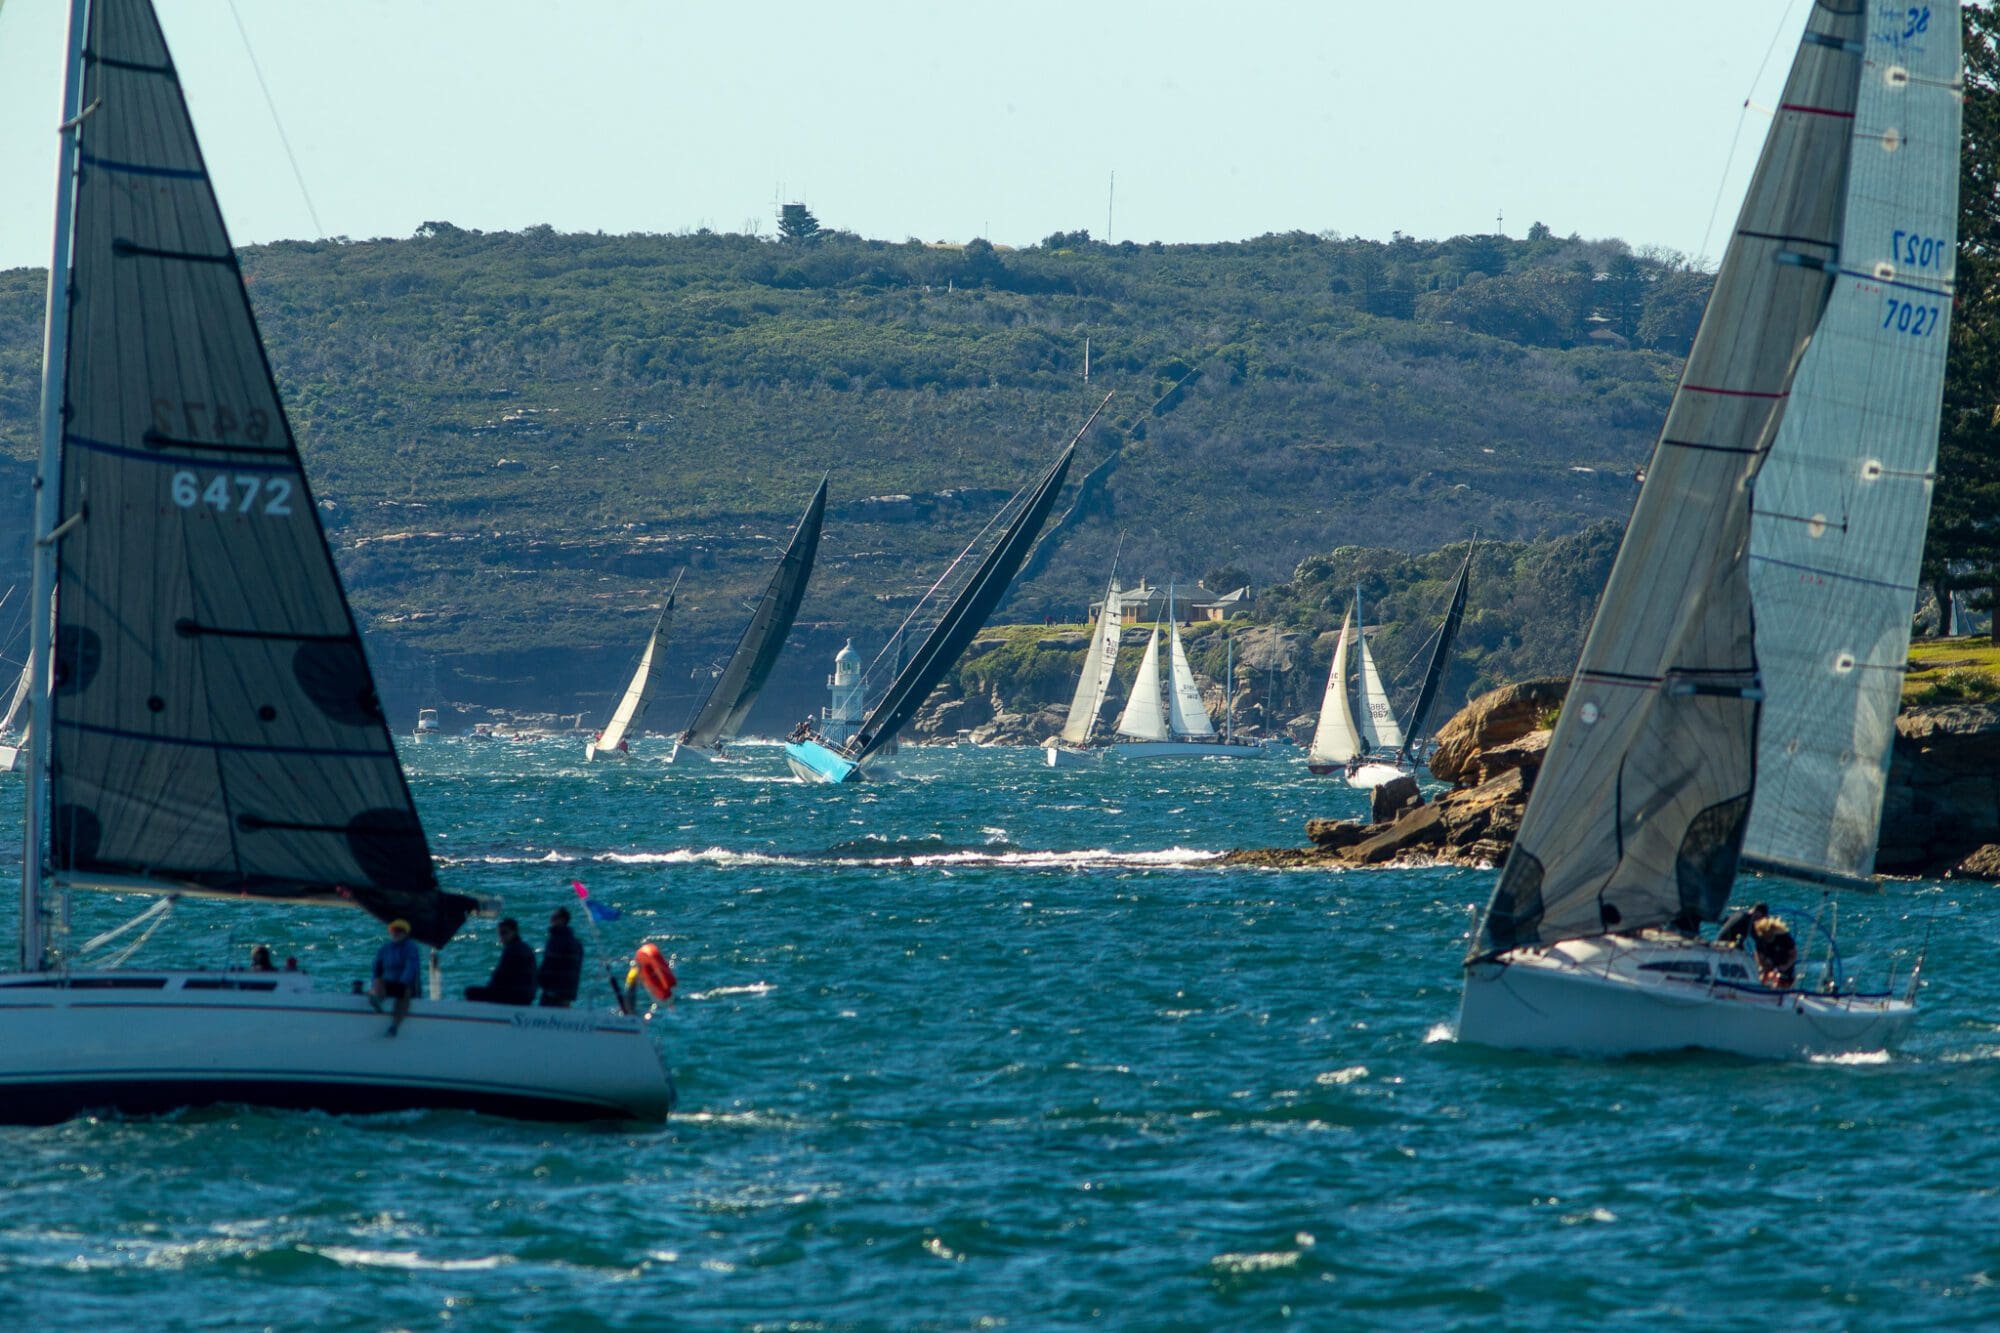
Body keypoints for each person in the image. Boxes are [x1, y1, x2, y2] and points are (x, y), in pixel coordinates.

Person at [466, 918, 537, 1006]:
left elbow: (501, 976)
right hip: (528, 995)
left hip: (516, 995)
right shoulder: (526, 948)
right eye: (500, 934)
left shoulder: (512, 950)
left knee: (471, 992)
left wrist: (490, 990)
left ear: (514, 932)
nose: (501, 937)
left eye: (504, 933)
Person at [369, 918, 422, 1035]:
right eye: (393, 930)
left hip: (405, 984)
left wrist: (403, 983)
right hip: (388, 983)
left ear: (405, 933)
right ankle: (377, 999)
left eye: (399, 930)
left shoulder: (411, 947)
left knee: (404, 995)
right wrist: (374, 982)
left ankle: (394, 1026)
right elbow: (376, 968)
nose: (395, 933)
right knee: (378, 982)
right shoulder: (385, 949)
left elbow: (411, 966)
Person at [538, 907, 585, 1007]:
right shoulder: (577, 943)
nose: (551, 920)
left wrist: (540, 981)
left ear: (562, 920)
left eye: (554, 917)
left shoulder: (556, 940)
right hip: (568, 993)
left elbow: (549, 965)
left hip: (553, 992)